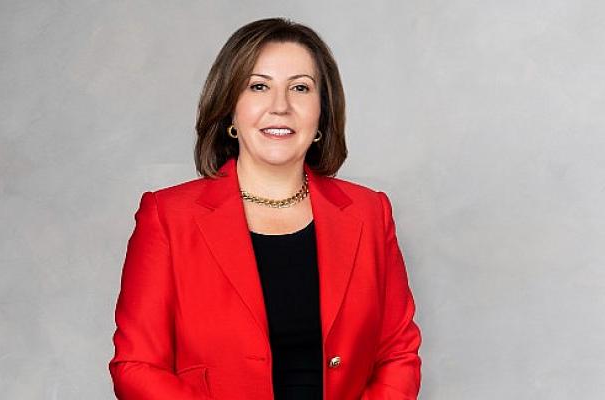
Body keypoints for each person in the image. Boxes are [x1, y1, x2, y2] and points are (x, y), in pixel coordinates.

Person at [108, 17, 422, 400]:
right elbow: (136, 366)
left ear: (322, 111)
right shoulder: (168, 216)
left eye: (300, 88)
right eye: (259, 86)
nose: (280, 106)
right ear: (230, 109)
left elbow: (398, 355)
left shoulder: (370, 213)